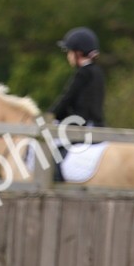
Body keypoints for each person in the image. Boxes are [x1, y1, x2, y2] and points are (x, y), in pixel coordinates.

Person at [48, 26, 105, 181]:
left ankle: (56, 185)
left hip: (82, 127)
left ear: (78, 53)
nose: (68, 56)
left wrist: (51, 115)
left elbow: (67, 98)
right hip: (98, 126)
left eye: (69, 52)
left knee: (53, 156)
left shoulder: (82, 73)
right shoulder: (98, 72)